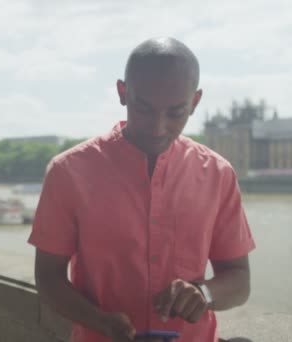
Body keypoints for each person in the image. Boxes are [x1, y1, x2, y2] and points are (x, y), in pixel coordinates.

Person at [29, 37, 256, 342]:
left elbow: (240, 280)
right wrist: (102, 322)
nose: (157, 127)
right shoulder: (69, 172)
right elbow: (48, 277)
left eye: (176, 113)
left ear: (195, 102)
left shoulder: (218, 174)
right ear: (123, 93)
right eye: (144, 109)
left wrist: (203, 293)